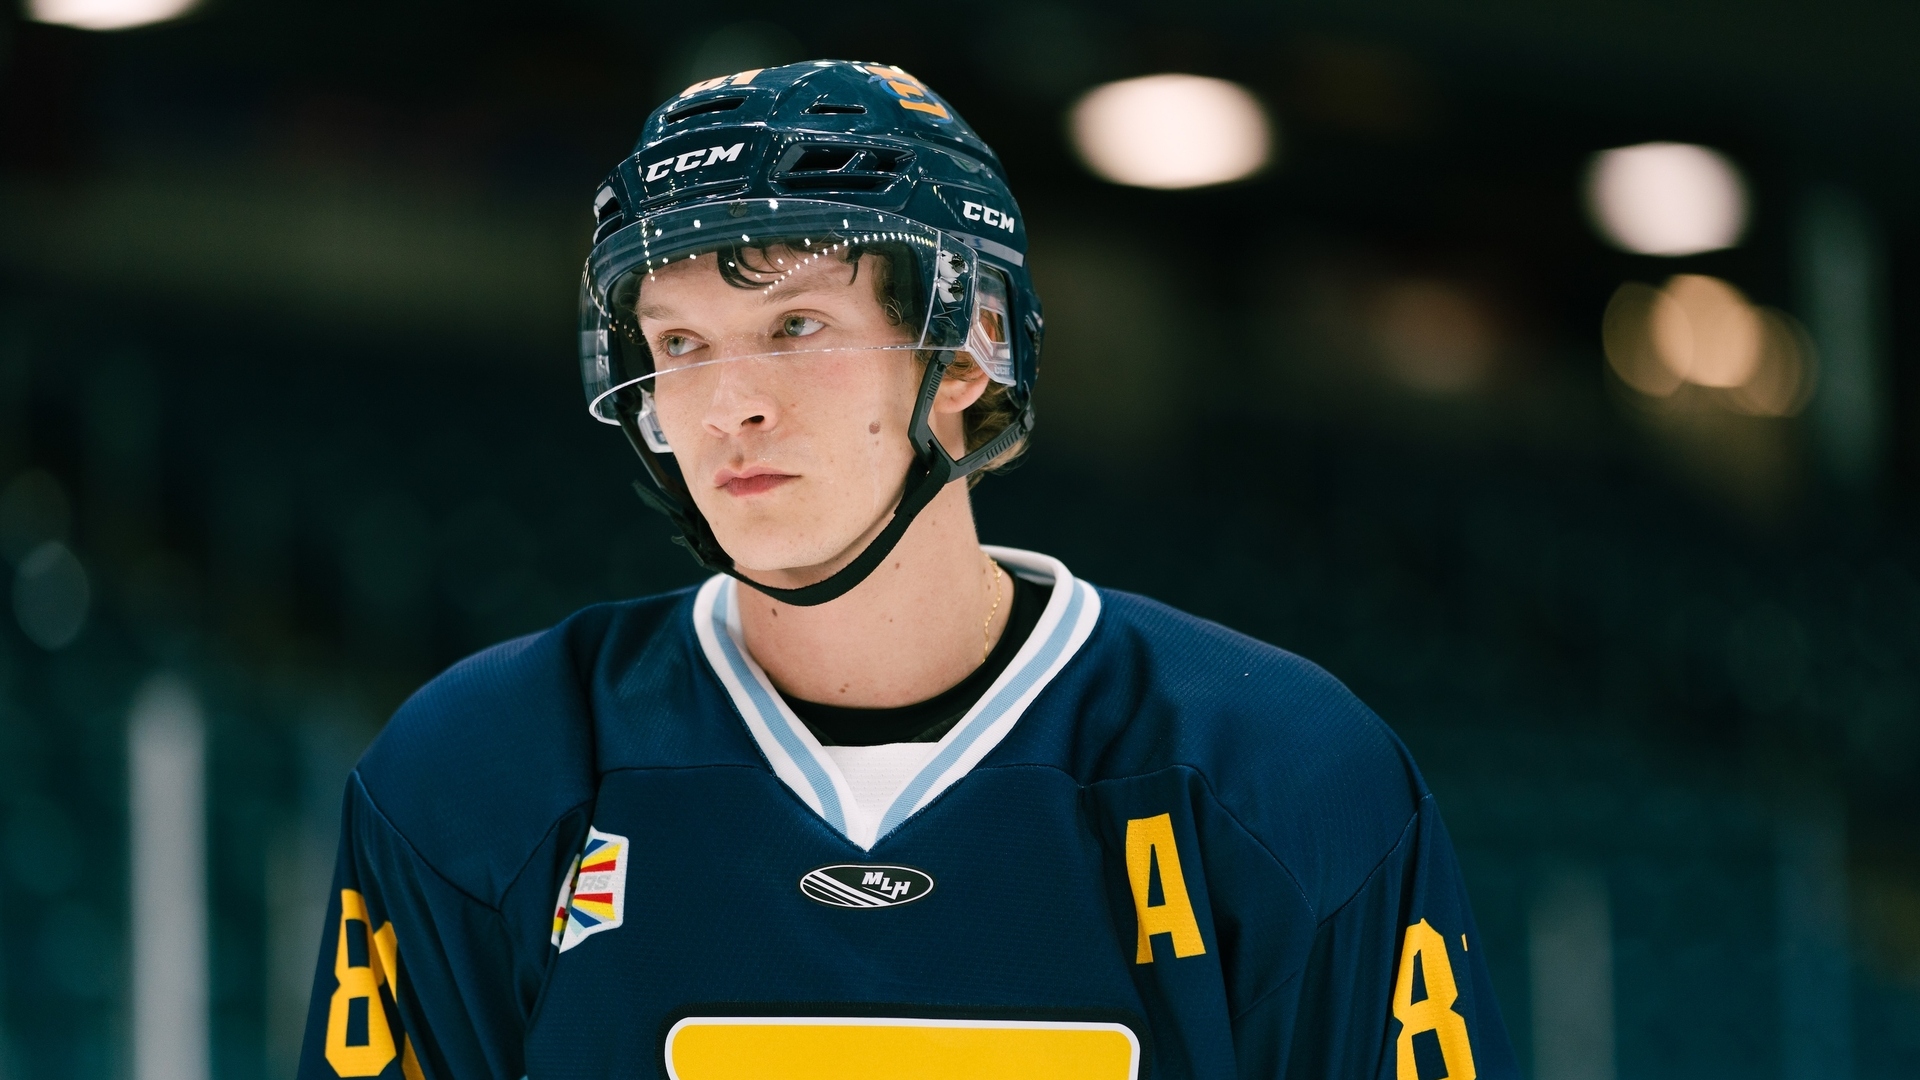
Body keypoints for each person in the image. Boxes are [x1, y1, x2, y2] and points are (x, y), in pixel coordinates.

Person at [298, 60, 1517, 1080]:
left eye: (797, 329)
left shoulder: (1285, 776)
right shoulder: (479, 775)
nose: (729, 406)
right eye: (679, 345)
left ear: (970, 348)